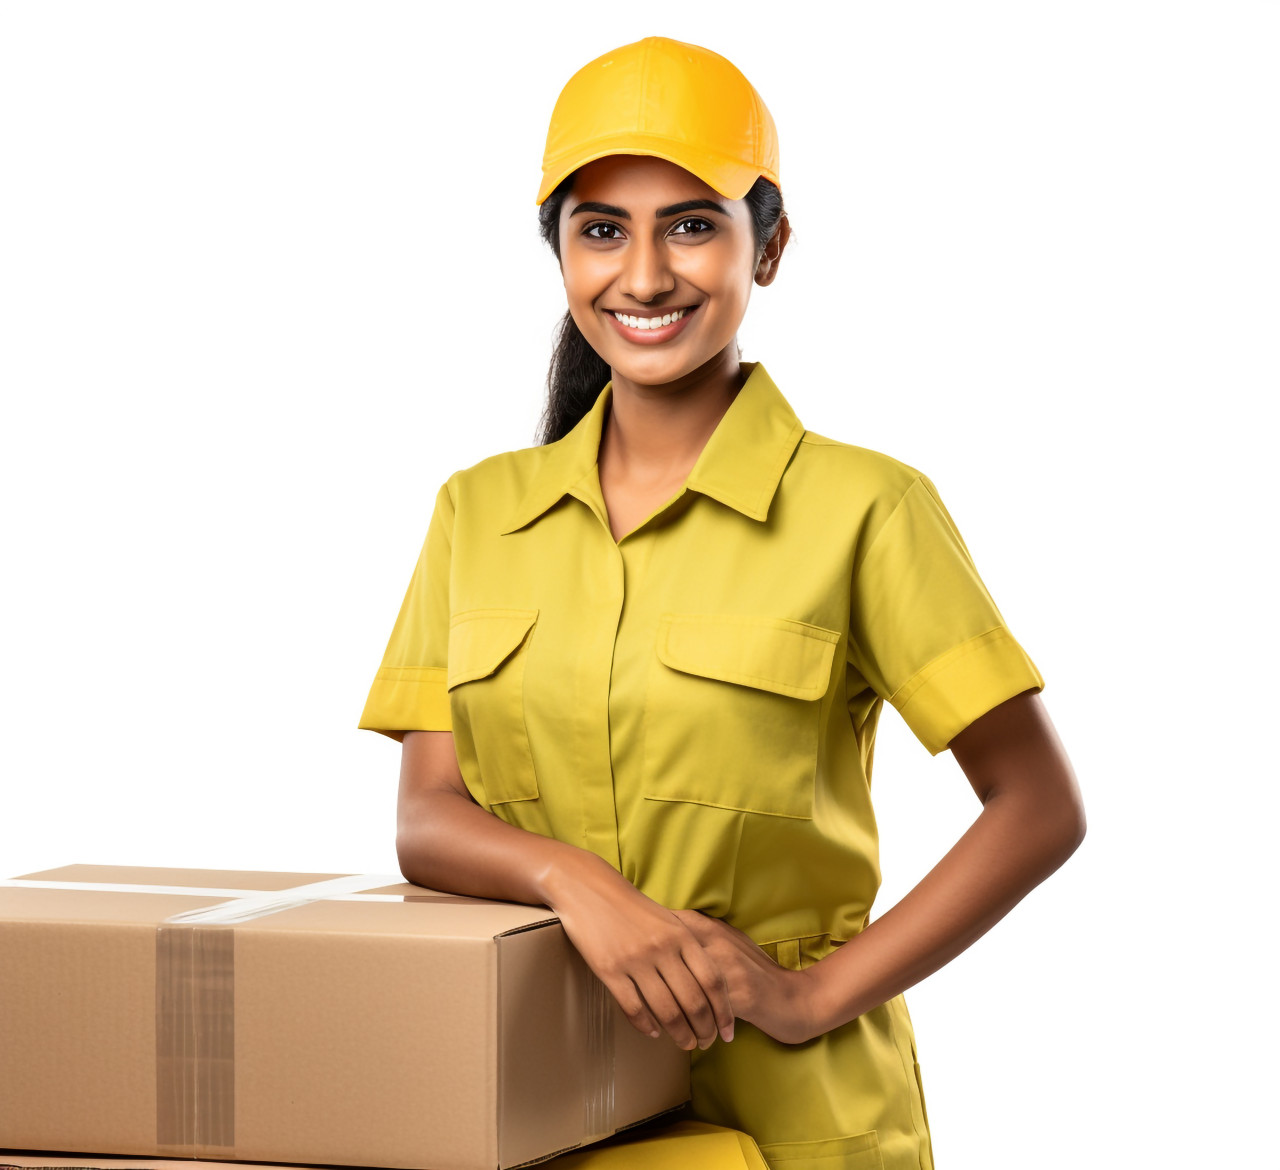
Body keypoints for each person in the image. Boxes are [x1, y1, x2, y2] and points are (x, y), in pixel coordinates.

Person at [358, 35, 1086, 1170]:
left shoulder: (866, 508)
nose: (645, 277)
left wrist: (809, 997)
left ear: (770, 245)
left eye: (692, 225)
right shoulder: (477, 512)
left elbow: (1037, 805)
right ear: (559, 251)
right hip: (543, 1102)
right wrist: (575, 884)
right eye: (602, 230)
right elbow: (426, 817)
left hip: (797, 1122)